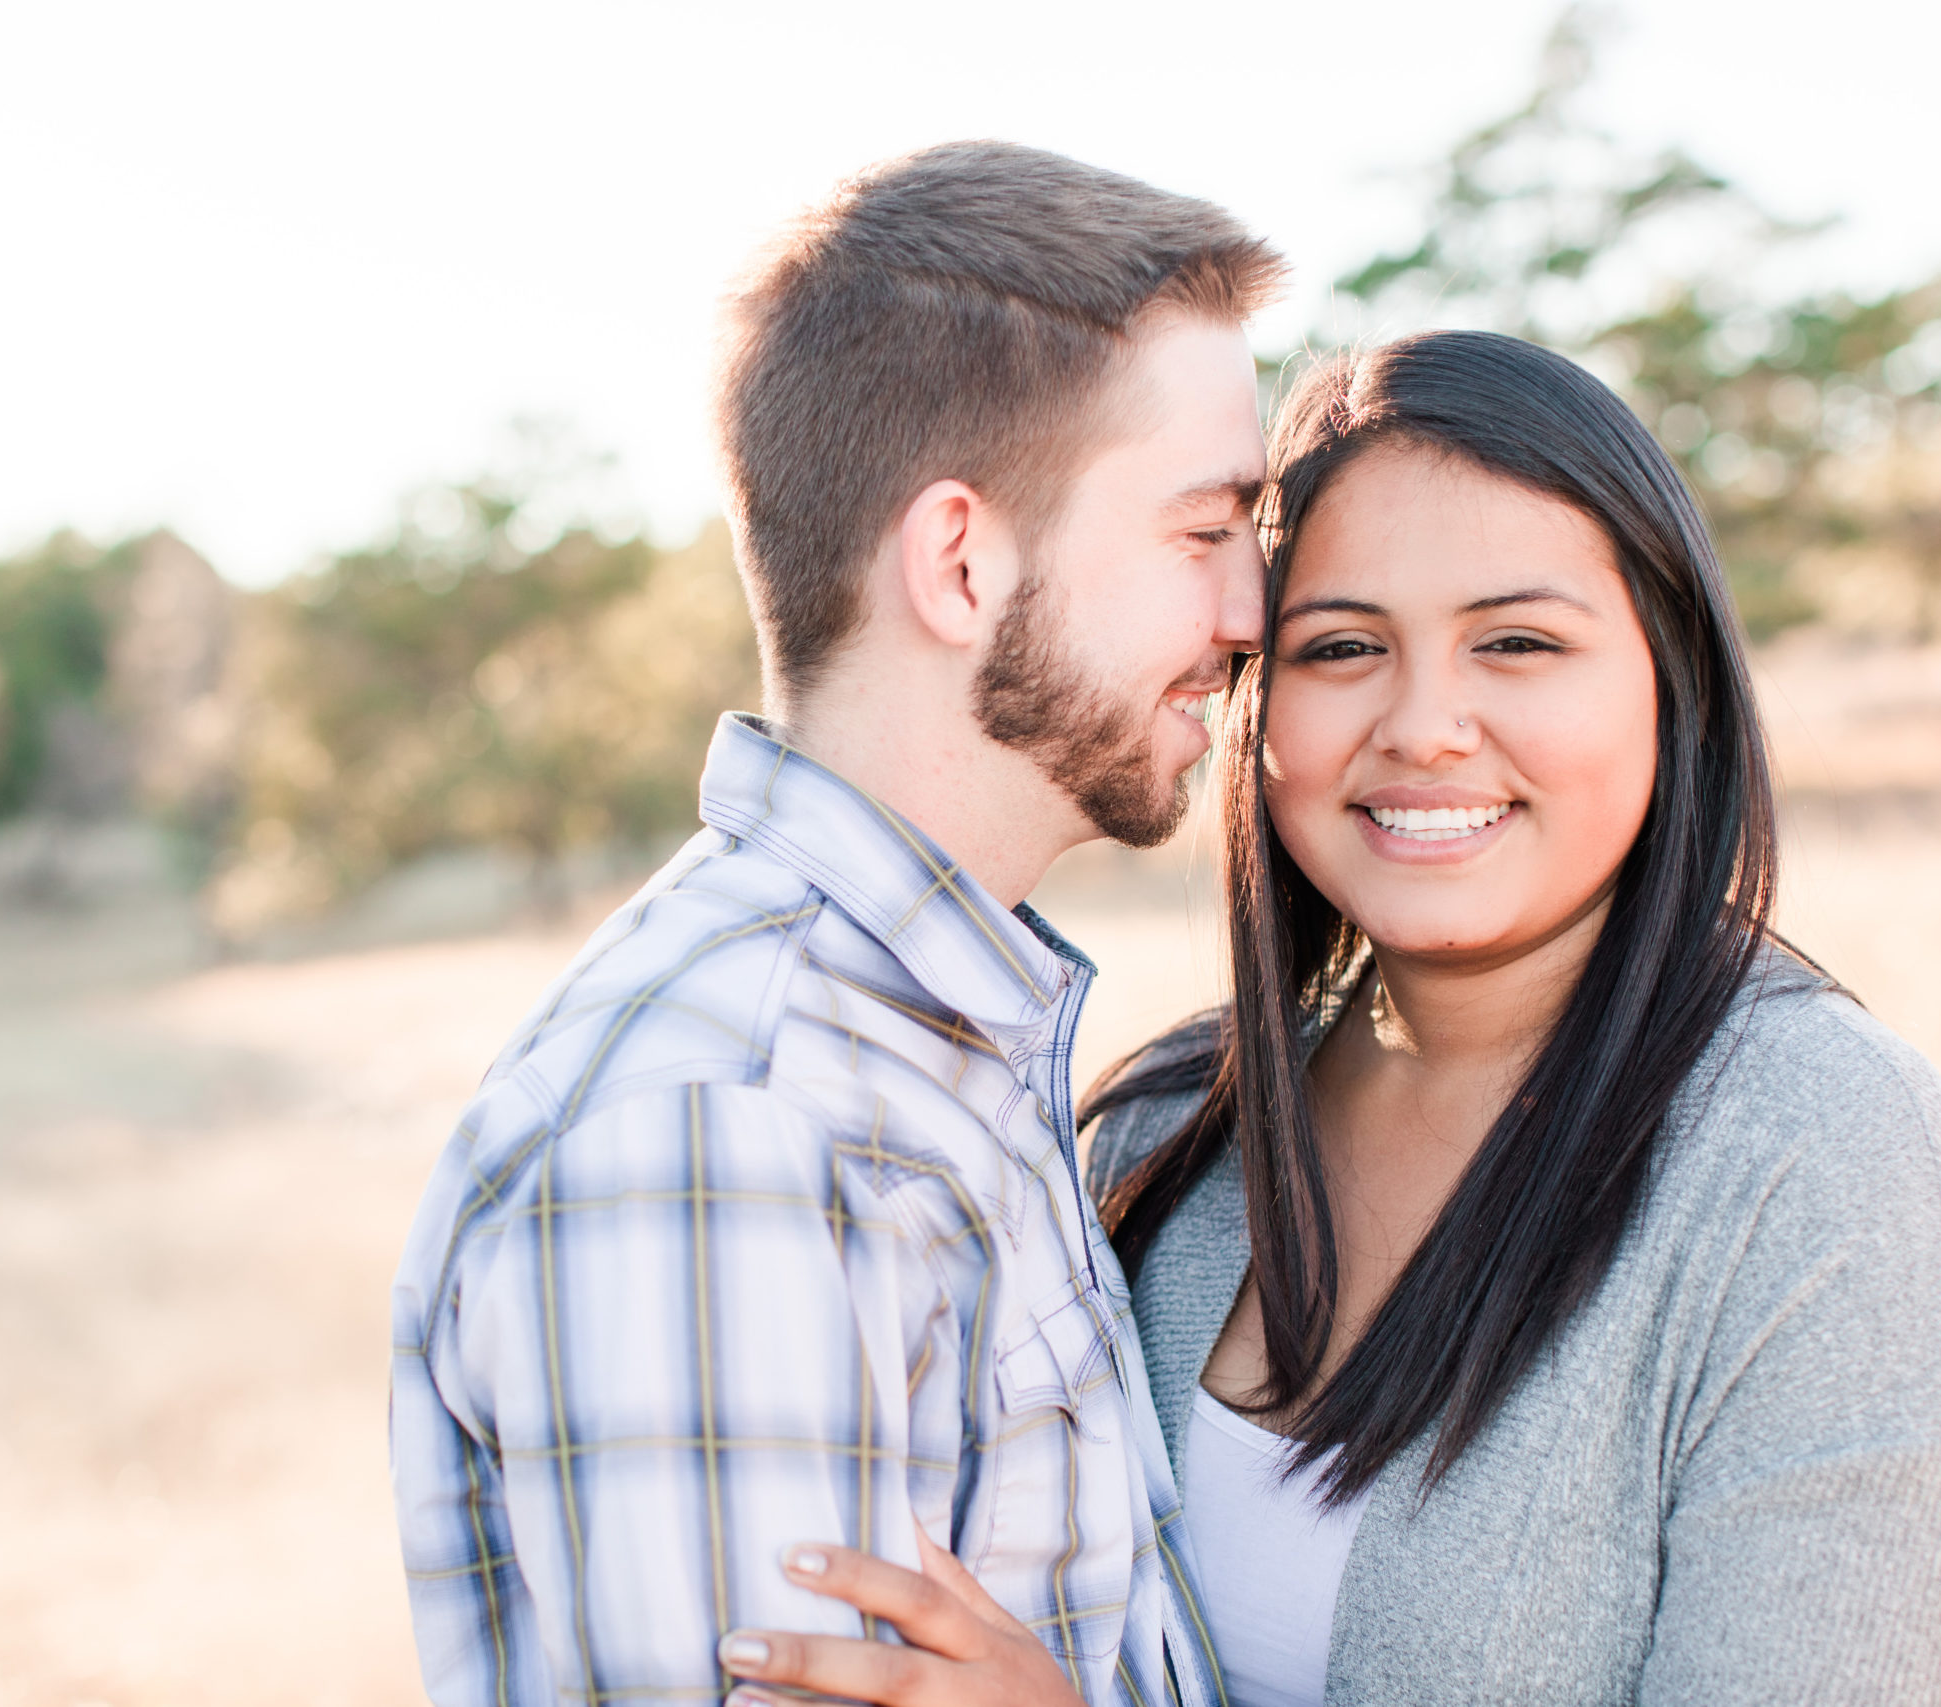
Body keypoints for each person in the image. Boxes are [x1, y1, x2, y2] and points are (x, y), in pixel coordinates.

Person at [717, 330, 1941, 1706]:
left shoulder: (1832, 1180)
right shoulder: (1163, 1136)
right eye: (1342, 646)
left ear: (1674, 680)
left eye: (1519, 642)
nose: (1424, 727)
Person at [387, 140, 1287, 1707]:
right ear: (960, 560)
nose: (1254, 612)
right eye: (1204, 533)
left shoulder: (920, 1048)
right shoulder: (726, 1134)